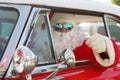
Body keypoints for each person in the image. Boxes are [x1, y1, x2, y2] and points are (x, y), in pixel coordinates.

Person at [50, 12, 120, 68]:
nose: (63, 30)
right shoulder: (46, 45)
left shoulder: (83, 45)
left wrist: (104, 48)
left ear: (74, 28)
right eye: (57, 26)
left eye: (68, 26)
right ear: (51, 29)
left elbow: (112, 60)